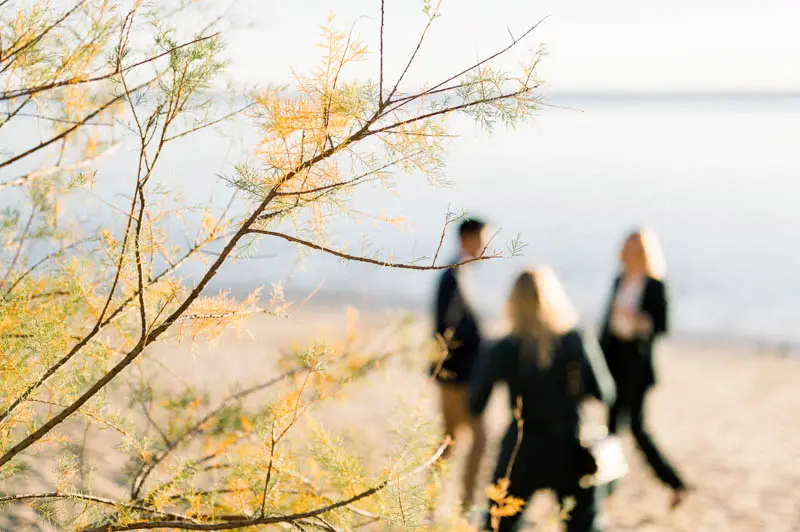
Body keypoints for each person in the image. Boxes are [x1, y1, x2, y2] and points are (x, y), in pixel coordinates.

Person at [470, 267, 616, 532]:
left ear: (512, 301)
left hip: (521, 448)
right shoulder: (574, 340)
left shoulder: (502, 346)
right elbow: (604, 392)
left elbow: (476, 403)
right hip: (570, 447)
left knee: (497, 523)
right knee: (584, 524)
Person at [599, 229, 688, 508]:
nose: (629, 253)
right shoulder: (619, 280)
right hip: (613, 359)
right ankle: (606, 490)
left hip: (636, 364)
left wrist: (639, 321)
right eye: (626, 247)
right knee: (612, 428)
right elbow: (607, 322)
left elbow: (661, 327)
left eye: (635, 248)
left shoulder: (655, 285)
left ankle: (675, 483)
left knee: (636, 427)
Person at [430, 217, 488, 511]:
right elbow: (445, 329)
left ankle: (434, 504)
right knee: (472, 441)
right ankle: (463, 506)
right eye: (482, 238)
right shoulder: (452, 275)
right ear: (468, 238)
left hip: (458, 373)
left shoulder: (461, 273)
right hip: (458, 376)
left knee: (450, 442)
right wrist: (482, 339)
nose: (485, 246)